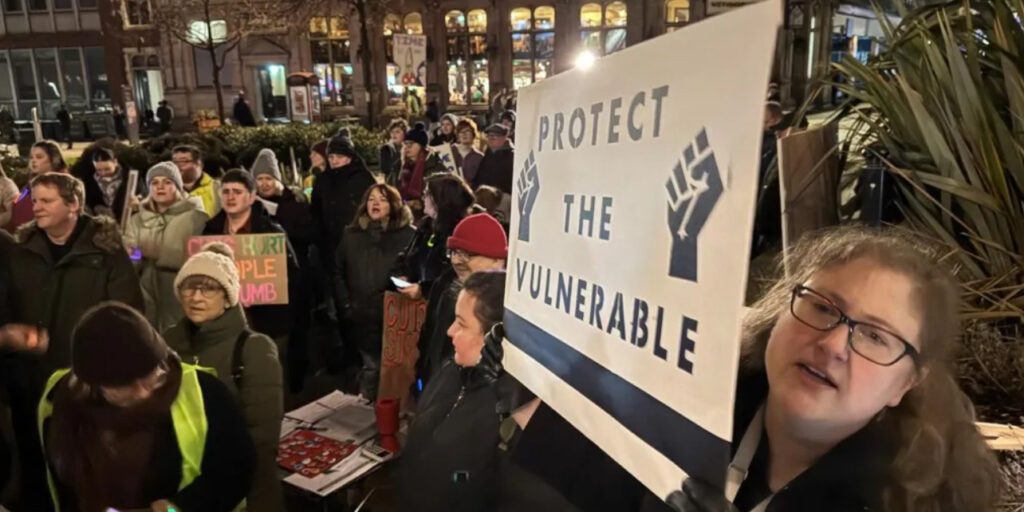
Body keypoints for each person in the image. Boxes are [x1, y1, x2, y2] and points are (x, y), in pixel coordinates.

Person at [510, 226, 1002, 512]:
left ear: (906, 383)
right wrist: (521, 371)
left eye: (875, 336)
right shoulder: (677, 412)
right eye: (822, 306)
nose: (833, 343)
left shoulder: (912, 502)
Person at [6, 172, 143, 509]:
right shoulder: (21, 251)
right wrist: (12, 334)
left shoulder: (106, 253)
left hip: (84, 385)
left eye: (46, 200)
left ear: (73, 204)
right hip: (31, 383)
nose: (36, 208)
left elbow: (128, 317)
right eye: (34, 200)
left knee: (83, 471)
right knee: (36, 465)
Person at [39, 302, 255, 512]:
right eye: (125, 384)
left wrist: (176, 508)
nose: (143, 392)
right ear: (93, 384)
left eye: (150, 376)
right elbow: (52, 481)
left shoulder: (204, 392)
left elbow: (235, 470)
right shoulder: (59, 401)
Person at [164, 242, 284, 512]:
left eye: (208, 288)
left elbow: (262, 439)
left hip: (242, 493)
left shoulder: (254, 348)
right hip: (182, 491)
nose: (195, 297)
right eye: (188, 287)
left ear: (228, 296)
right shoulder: (167, 343)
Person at [397, 270, 512, 511]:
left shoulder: (509, 412)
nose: (449, 331)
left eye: (461, 324)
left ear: (496, 337)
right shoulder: (449, 370)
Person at [203, 169, 299, 352]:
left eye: (237, 192)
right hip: (223, 324)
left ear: (252, 197)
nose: (230, 197)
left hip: (268, 324)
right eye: (226, 191)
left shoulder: (271, 232)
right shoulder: (209, 232)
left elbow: (292, 276)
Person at [334, 184, 415, 400]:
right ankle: (366, 414)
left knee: (395, 373)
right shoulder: (351, 235)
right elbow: (338, 272)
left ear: (394, 204)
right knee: (371, 368)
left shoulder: (408, 236)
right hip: (361, 316)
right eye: (371, 199)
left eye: (382, 199)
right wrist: (346, 306)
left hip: (395, 318)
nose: (375, 203)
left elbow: (414, 273)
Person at [251, 148, 314, 392]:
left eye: (269, 178)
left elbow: (306, 233)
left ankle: (297, 382)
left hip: (296, 277)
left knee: (297, 331)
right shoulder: (253, 206)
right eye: (260, 179)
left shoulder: (295, 201)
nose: (264, 184)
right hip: (267, 281)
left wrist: (278, 215)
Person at [123, 162, 208, 332]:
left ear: (177, 186)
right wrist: (136, 254)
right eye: (154, 182)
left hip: (183, 288)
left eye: (167, 182)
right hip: (147, 288)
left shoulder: (196, 217)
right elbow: (132, 255)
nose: (160, 187)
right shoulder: (137, 219)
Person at [310, 129, 376, 280]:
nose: (334, 161)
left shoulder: (363, 179)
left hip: (359, 243)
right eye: (331, 157)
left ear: (350, 157)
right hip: (330, 245)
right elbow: (315, 211)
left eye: (339, 156)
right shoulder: (322, 180)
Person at [5, 140, 68, 233]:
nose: (33, 161)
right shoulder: (28, 185)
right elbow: (18, 200)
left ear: (54, 159)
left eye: (39, 157)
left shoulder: (63, 184)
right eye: (31, 157)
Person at [78, 146, 147, 221]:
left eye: (107, 169)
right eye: (99, 170)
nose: (103, 173)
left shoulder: (131, 176)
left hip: (129, 220)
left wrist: (138, 201)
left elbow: (144, 195)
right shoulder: (89, 180)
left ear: (115, 162)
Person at [398, 122, 447, 213]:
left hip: (429, 213)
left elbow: (441, 195)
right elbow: (395, 191)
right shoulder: (402, 166)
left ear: (421, 146)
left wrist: (420, 203)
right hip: (405, 212)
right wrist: (405, 203)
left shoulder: (435, 166)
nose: (407, 147)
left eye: (411, 144)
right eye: (405, 144)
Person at [173, 144, 220, 217]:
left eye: (183, 161)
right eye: (175, 162)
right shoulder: (167, 190)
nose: (178, 165)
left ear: (198, 164)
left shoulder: (217, 189)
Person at [473, 124, 515, 195]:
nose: (491, 138)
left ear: (504, 137)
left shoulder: (511, 156)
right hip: (485, 196)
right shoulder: (487, 154)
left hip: (503, 197)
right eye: (489, 136)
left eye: (495, 136)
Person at [453, 118, 484, 185]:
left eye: (467, 131)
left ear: (473, 134)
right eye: (461, 131)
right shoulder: (450, 151)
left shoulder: (479, 157)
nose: (464, 134)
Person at [380, 118, 409, 186]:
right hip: (393, 185)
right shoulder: (387, 148)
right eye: (392, 132)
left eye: (397, 132)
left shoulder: (409, 148)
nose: (394, 134)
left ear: (404, 133)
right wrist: (401, 159)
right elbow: (385, 169)